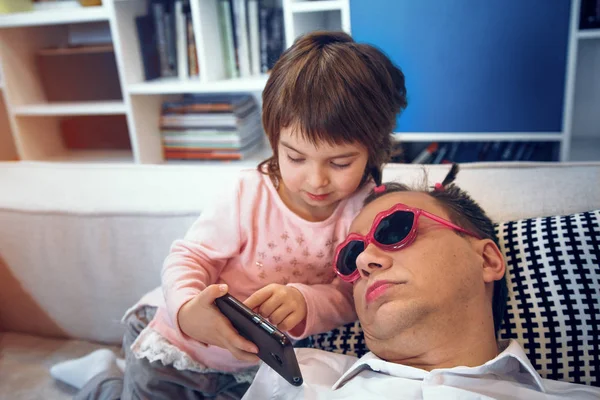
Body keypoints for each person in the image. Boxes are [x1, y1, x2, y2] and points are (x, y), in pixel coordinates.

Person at [49, 31, 408, 399]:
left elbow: (354, 293)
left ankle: (112, 373)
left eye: (340, 162)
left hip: (254, 365)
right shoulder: (247, 194)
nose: (316, 180)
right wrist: (188, 311)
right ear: (274, 140)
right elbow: (189, 257)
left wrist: (306, 302)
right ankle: (102, 375)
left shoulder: (366, 209)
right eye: (296, 158)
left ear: (373, 150)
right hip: (179, 347)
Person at [242, 166, 600, 399]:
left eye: (395, 228)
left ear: (487, 259)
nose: (365, 260)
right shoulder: (293, 379)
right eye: (350, 256)